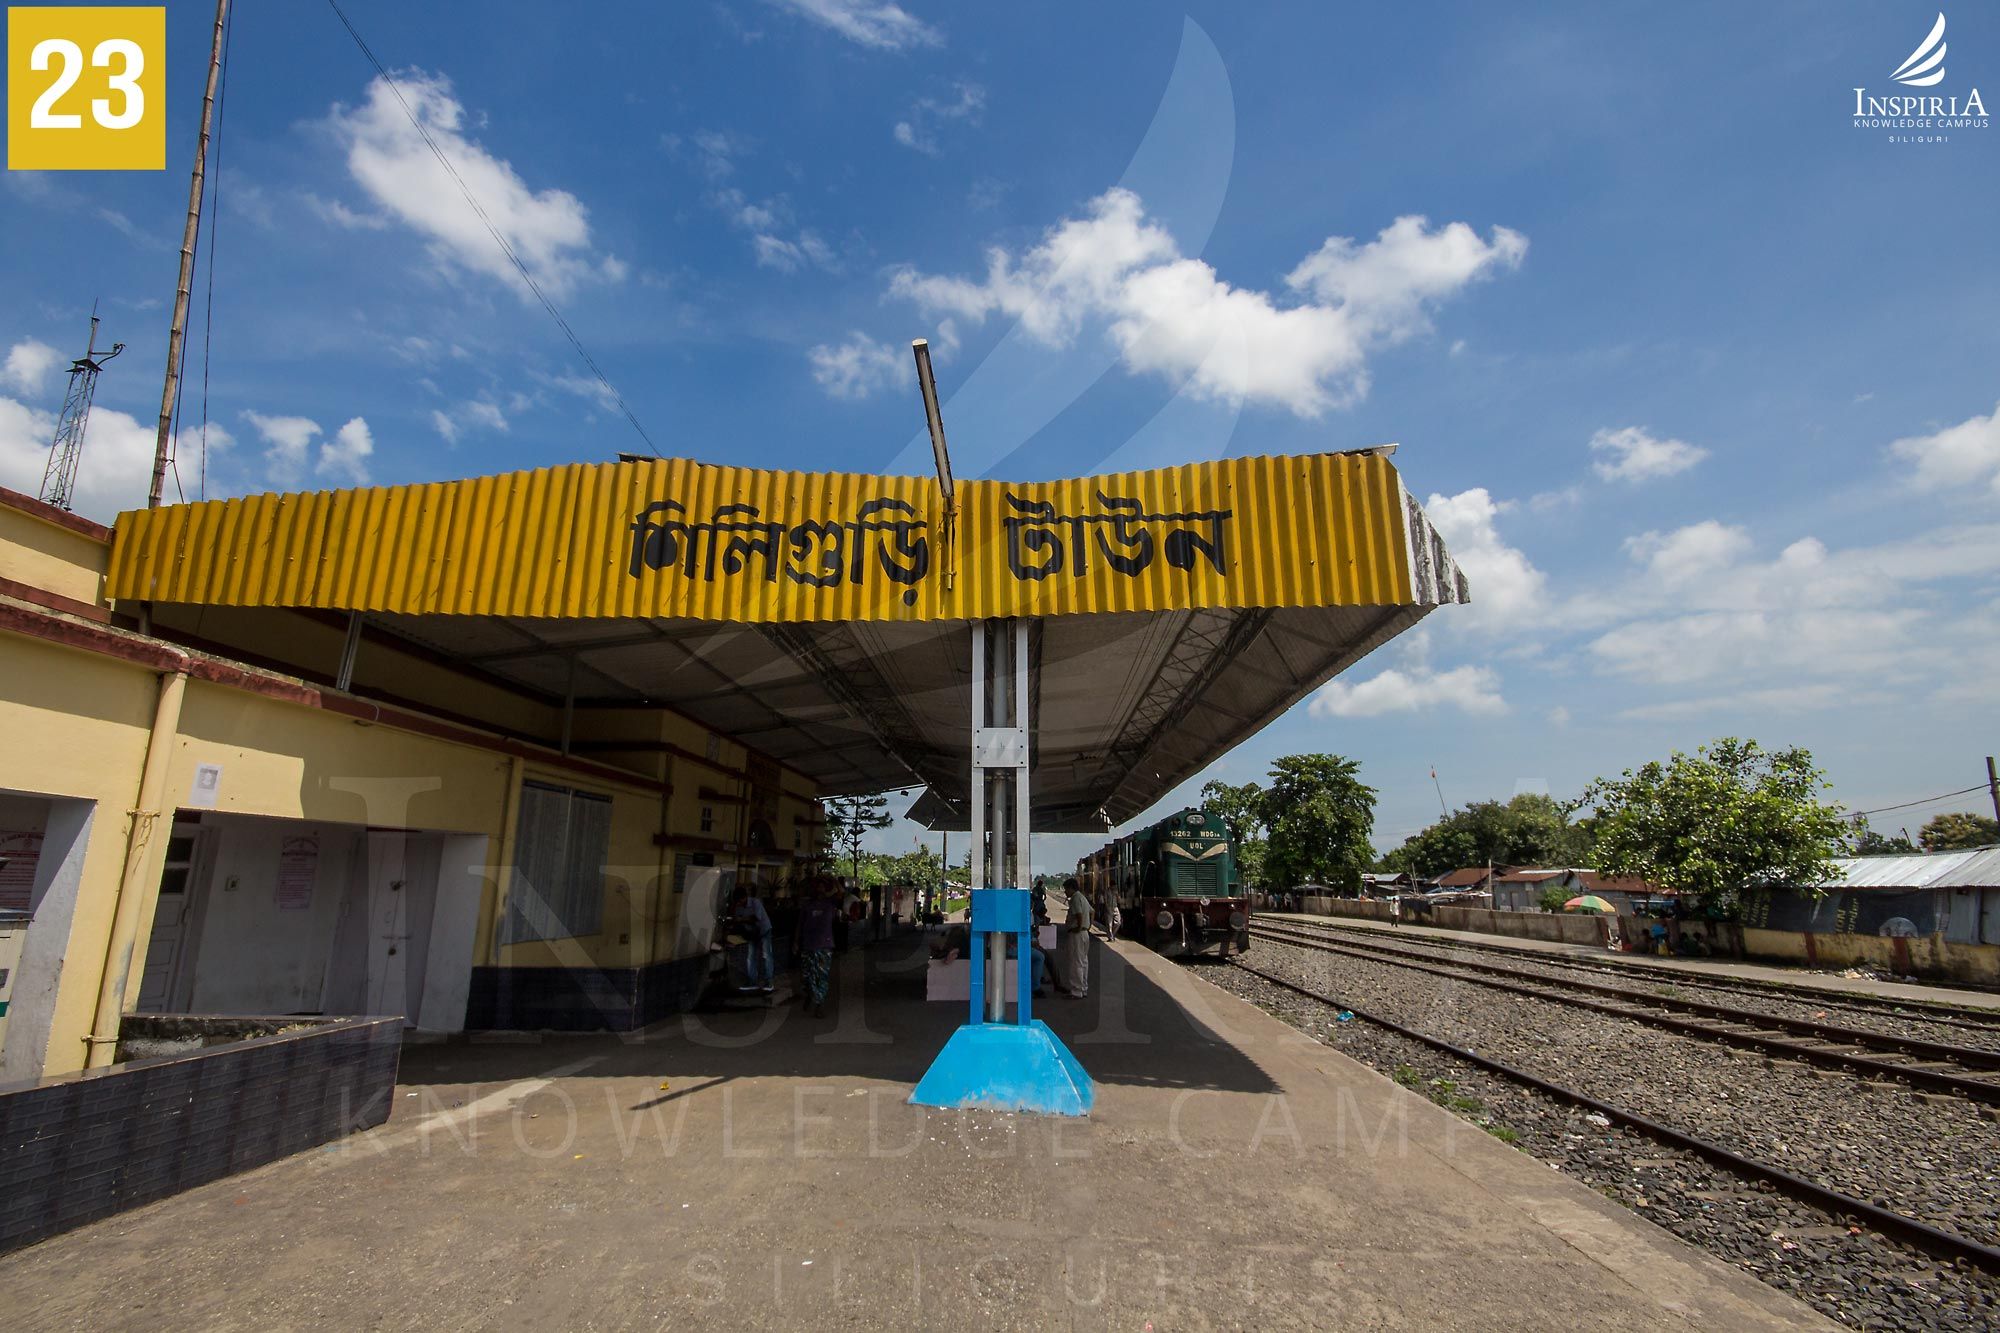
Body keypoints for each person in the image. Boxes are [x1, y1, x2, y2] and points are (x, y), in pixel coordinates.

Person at [795, 879, 839, 1017]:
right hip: (808, 945)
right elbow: (799, 925)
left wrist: (833, 879)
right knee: (806, 976)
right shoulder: (807, 906)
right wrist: (796, 942)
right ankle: (810, 994)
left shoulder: (830, 904)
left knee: (822, 976)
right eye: (817, 888)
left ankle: (820, 1004)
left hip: (824, 946)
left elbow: (841, 892)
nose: (819, 890)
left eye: (822, 888)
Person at [731, 886, 773, 993]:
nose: (739, 903)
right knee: (750, 956)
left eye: (740, 901)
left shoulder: (755, 903)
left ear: (744, 897)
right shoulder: (738, 906)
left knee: (766, 955)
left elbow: (756, 918)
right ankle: (752, 981)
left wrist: (741, 919)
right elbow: (736, 920)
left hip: (764, 931)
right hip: (751, 933)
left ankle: (769, 981)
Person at [1062, 876, 1093, 998]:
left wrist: (1079, 927)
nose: (1065, 892)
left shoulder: (1075, 899)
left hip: (1077, 934)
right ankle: (1083, 988)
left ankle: (1076, 991)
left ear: (1071, 888)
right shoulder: (1083, 898)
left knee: (1076, 962)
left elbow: (1079, 914)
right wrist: (1088, 926)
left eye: (1066, 889)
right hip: (1085, 934)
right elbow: (1092, 911)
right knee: (1084, 961)